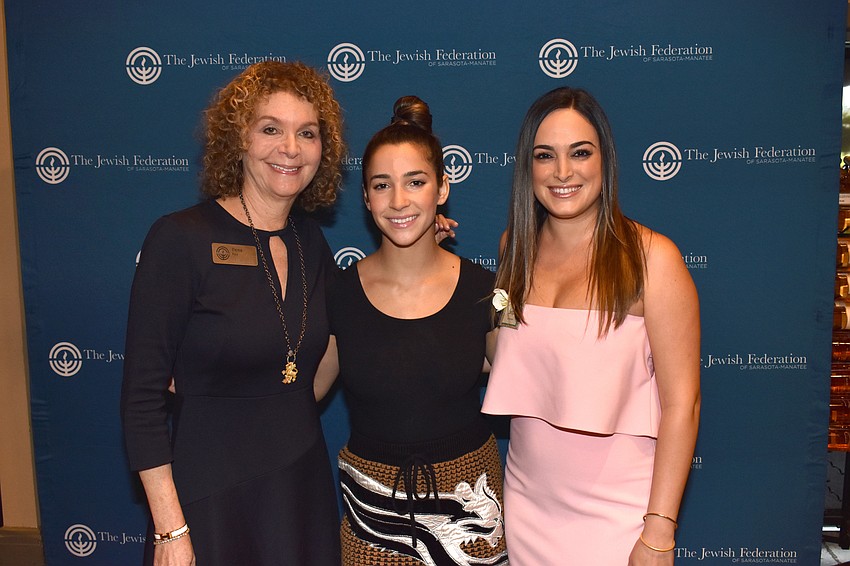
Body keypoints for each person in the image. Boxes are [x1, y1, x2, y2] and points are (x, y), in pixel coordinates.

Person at [120, 61, 345, 566]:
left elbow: (324, 357)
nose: (290, 148)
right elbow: (141, 398)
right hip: (210, 496)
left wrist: (414, 255)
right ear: (238, 139)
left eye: (306, 133)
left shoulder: (312, 243)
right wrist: (169, 529)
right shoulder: (180, 239)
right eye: (271, 129)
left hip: (300, 487)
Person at [482, 87, 701, 565]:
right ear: (528, 167)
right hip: (526, 507)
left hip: (619, 517)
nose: (563, 172)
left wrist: (659, 531)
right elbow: (502, 358)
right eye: (545, 156)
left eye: (580, 153)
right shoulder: (513, 250)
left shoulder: (652, 260)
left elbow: (683, 403)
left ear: (605, 159)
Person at [314, 96, 509, 565]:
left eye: (415, 182)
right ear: (365, 198)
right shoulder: (338, 294)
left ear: (442, 188)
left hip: (472, 505)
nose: (399, 201)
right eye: (382, 185)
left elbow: (527, 377)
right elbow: (297, 394)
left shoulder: (488, 290)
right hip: (372, 514)